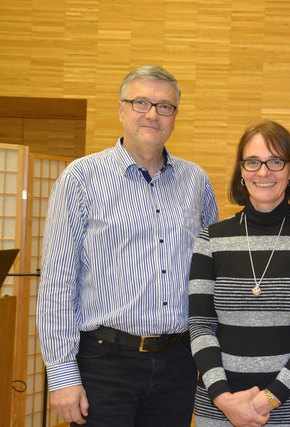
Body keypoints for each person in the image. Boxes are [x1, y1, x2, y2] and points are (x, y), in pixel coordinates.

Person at [36, 65, 218, 426]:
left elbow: (210, 275)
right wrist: (62, 374)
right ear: (121, 110)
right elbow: (57, 283)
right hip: (104, 363)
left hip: (177, 363)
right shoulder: (81, 178)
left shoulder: (196, 181)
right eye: (141, 103)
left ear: (174, 116)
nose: (152, 114)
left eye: (164, 106)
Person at [188, 120, 290, 427]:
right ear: (241, 172)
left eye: (275, 161)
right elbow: (201, 325)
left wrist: (268, 398)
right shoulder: (210, 239)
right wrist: (223, 399)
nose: (263, 172)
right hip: (220, 409)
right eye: (253, 162)